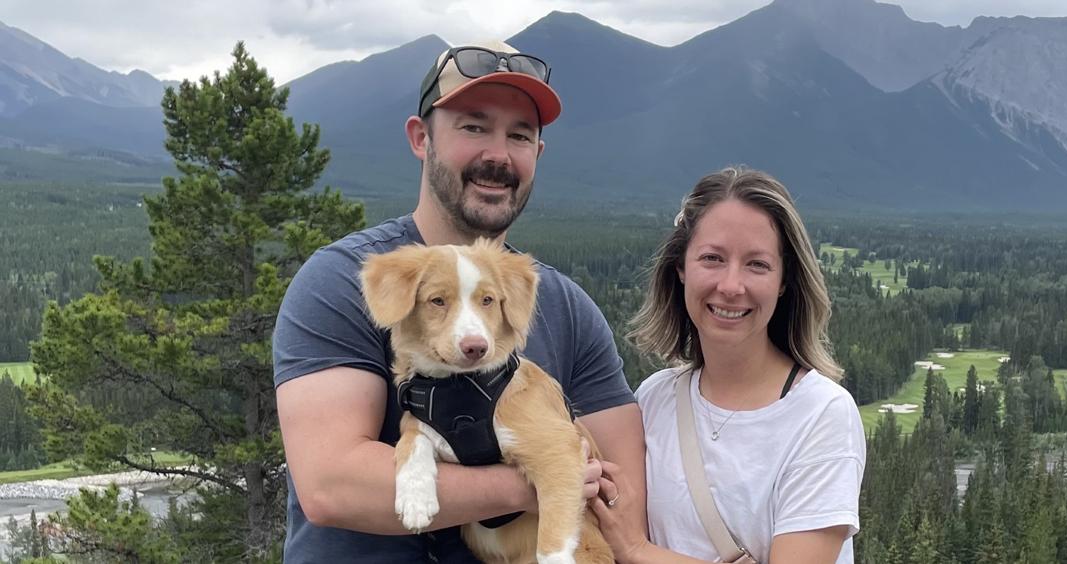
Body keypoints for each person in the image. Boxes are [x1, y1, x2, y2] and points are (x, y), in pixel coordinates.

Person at [272, 40, 646, 563]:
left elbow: (623, 506)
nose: (498, 154)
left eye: (520, 135)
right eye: (474, 126)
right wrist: (537, 478)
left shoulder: (569, 309)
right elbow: (332, 486)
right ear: (420, 138)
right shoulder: (340, 283)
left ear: (536, 155)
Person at [589, 167, 865, 563]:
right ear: (681, 268)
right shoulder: (653, 399)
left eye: (757, 264)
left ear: (784, 281)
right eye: (712, 258)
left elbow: (629, 541)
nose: (732, 286)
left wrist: (635, 550)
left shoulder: (821, 414)